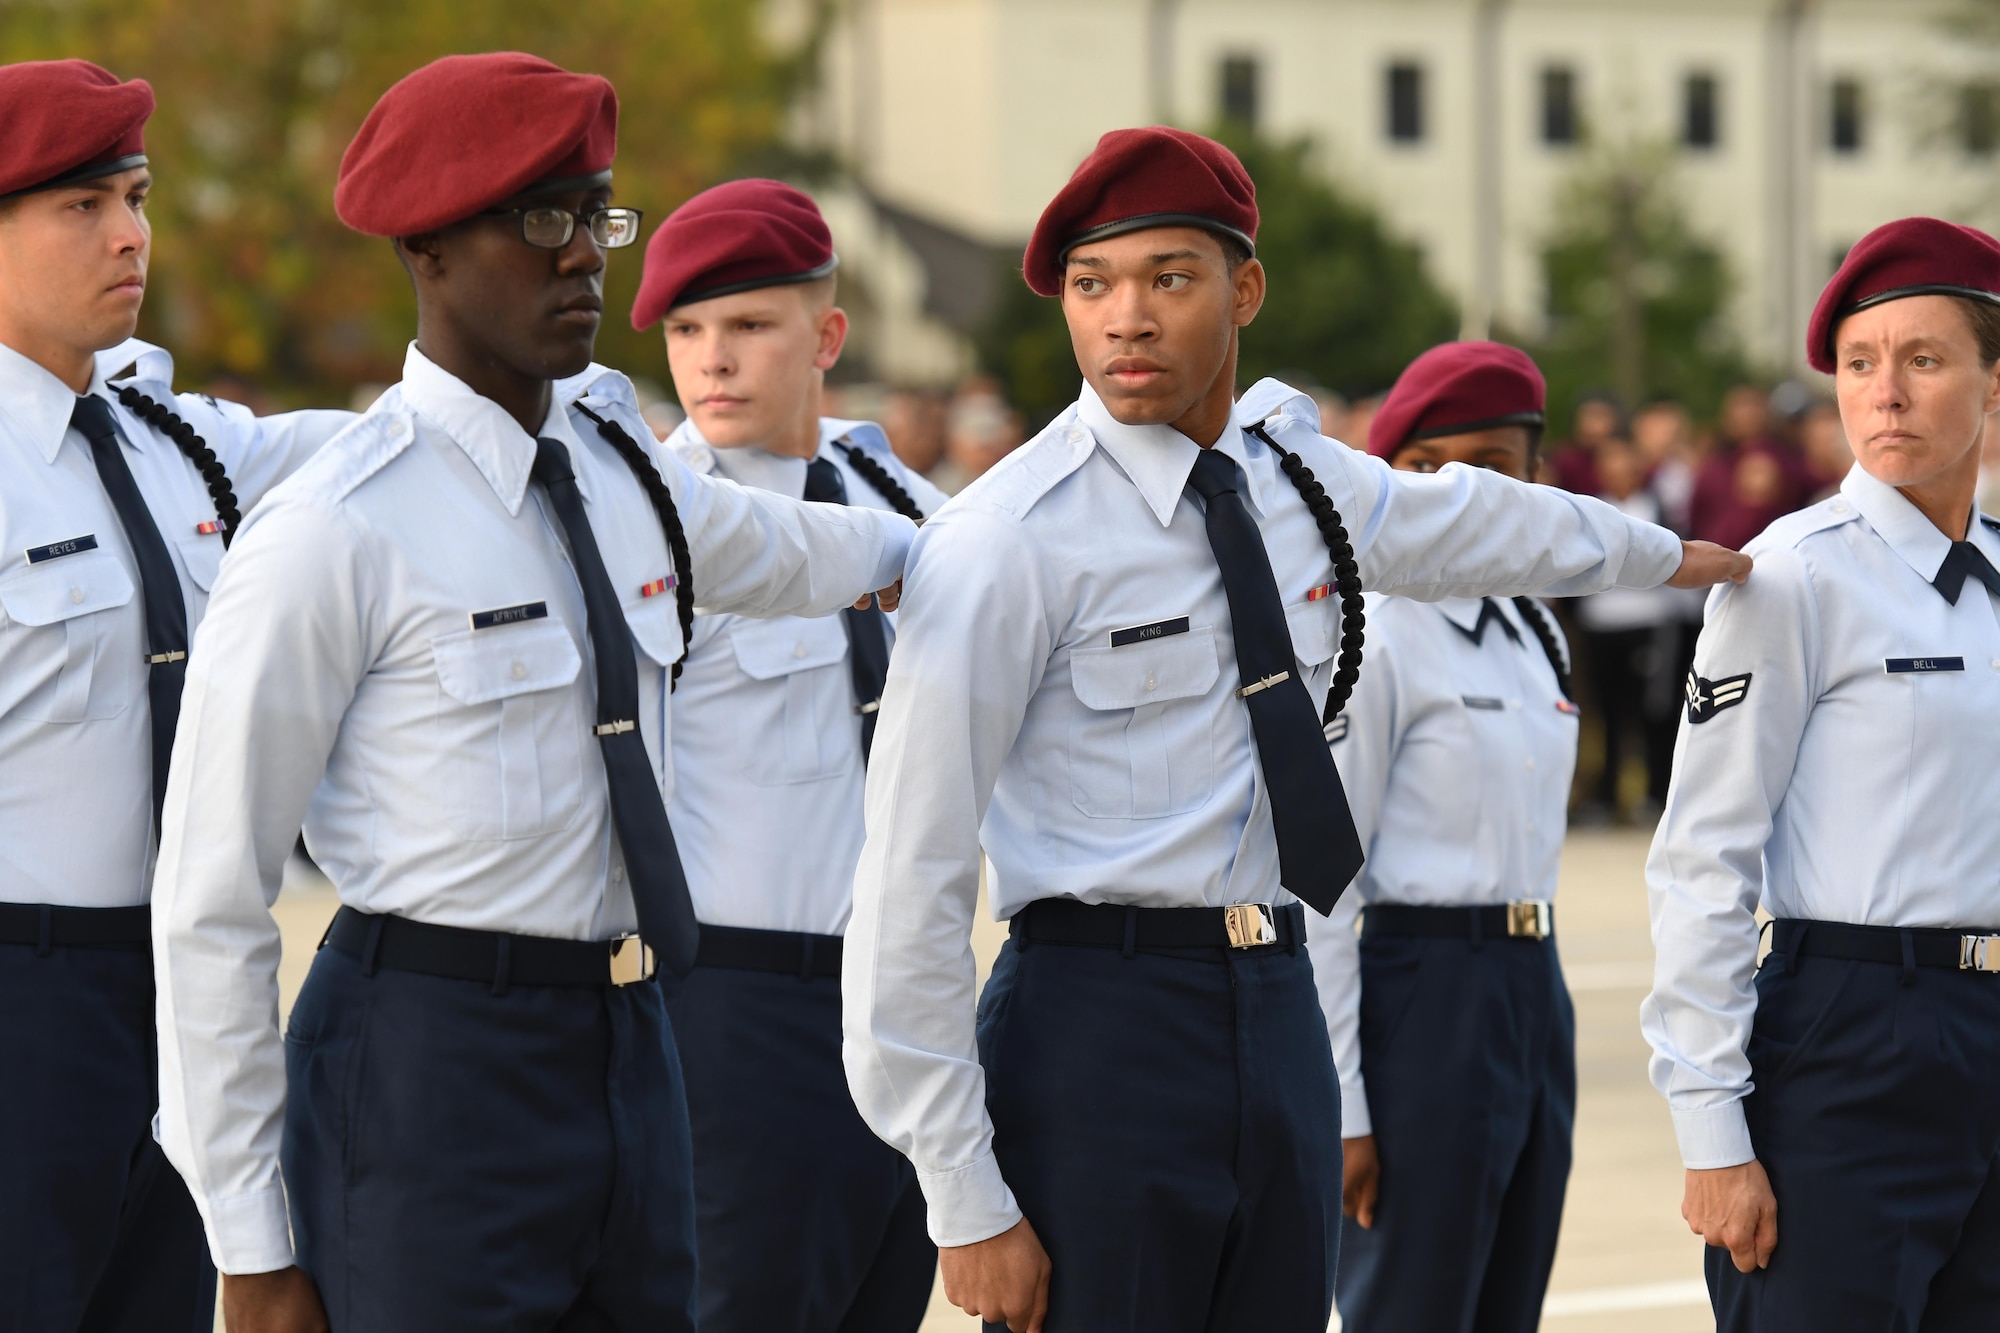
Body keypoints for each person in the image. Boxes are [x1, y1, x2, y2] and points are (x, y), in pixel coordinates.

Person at [839, 126, 1750, 1333]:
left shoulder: (1295, 485)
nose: (1124, 319)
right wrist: (962, 1196)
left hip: (1272, 1013)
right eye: (1090, 285)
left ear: (1242, 288)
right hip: (1092, 1026)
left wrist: (1675, 555)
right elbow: (909, 873)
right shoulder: (1007, 539)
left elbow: (1471, 521)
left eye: (1168, 278)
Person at [147, 54, 915, 1333]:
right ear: (432, 251)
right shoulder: (337, 526)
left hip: (632, 1047)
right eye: (543, 221)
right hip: (427, 1062)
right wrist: (248, 1239)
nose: (586, 261)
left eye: (596, 216)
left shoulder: (619, 472)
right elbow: (210, 893)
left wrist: (964, 556)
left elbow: (794, 552)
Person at [0, 58, 350, 1332]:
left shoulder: (167, 439)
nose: (130, 233)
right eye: (80, 204)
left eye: (136, 194)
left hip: (181, 993)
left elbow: (358, 451)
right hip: (24, 997)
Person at [1644, 216, 2000, 1330]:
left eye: (1922, 359)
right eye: (1858, 364)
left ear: (1993, 386)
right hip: (1850, 1038)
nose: (1882, 392)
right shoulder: (1788, 578)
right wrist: (1710, 1130)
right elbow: (1701, 855)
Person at [628, 177, 947, 1333]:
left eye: (749, 325)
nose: (711, 360)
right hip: (730, 1005)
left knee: (879, 1301)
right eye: (684, 330)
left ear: (825, 336)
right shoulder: (645, 519)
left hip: (902, 997)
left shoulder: (909, 506)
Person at [1312, 341, 1581, 1333]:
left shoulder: (1532, 628)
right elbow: (1322, 885)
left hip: (1527, 986)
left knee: (1509, 1296)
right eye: (1443, 464)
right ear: (1401, 475)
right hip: (1418, 994)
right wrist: (1340, 1102)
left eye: (1502, 466)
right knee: (1411, 1303)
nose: (1474, 490)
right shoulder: (1373, 633)